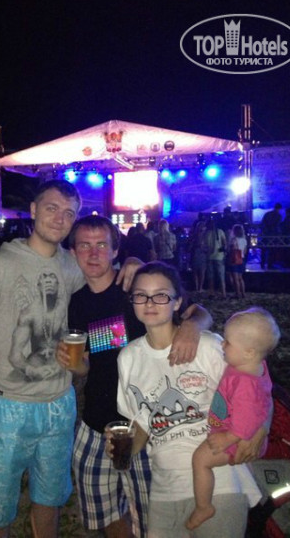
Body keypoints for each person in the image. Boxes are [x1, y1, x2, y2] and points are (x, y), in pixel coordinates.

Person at [0, 180, 139, 538]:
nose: (60, 218)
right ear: (33, 210)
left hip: (59, 404)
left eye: (69, 213)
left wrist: (134, 262)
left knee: (49, 500)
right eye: (51, 208)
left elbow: (104, 270)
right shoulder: (1, 262)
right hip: (9, 406)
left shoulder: (72, 264)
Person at [56, 216, 213, 538]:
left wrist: (191, 327)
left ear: (116, 250)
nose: (94, 253)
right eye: (84, 245)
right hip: (96, 421)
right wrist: (75, 366)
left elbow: (199, 311)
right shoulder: (77, 302)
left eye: (102, 245)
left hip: (148, 422)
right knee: (103, 510)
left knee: (151, 516)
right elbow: (90, 364)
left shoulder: (135, 287)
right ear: (73, 253)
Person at [113, 262, 265, 538]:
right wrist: (124, 446)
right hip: (164, 489)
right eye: (141, 295)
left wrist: (260, 432)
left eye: (161, 295)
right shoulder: (128, 358)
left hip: (220, 483)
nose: (150, 303)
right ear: (132, 301)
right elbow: (145, 425)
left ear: (177, 302)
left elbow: (257, 391)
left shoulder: (208, 346)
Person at [186, 308, 278, 530]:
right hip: (239, 430)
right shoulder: (253, 365)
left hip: (237, 439)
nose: (222, 345)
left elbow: (246, 422)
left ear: (248, 352)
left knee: (200, 460)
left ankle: (204, 507)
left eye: (227, 342)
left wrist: (227, 438)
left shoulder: (245, 384)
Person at [205, 219, 227, 298]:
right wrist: (224, 251)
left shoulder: (207, 233)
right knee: (221, 276)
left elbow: (204, 245)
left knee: (211, 277)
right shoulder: (220, 232)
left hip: (210, 257)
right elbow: (225, 243)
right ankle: (223, 293)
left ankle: (212, 293)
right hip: (219, 256)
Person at [226, 224, 248, 299]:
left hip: (234, 259)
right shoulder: (244, 240)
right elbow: (245, 251)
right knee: (240, 278)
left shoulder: (234, 240)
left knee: (235, 278)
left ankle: (237, 293)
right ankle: (243, 293)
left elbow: (232, 249)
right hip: (242, 258)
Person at [260, 203, 282, 269]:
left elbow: (263, 223)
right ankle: (270, 264)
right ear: (279, 209)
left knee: (264, 249)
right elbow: (278, 226)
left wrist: (264, 231)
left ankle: (262, 263)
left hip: (265, 234)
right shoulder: (278, 216)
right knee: (272, 250)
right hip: (273, 235)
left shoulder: (267, 214)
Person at [189, 221, 208, 292]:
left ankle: (198, 288)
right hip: (200, 255)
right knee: (200, 272)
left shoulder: (194, 236)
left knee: (196, 272)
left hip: (196, 255)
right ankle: (199, 288)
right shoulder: (204, 236)